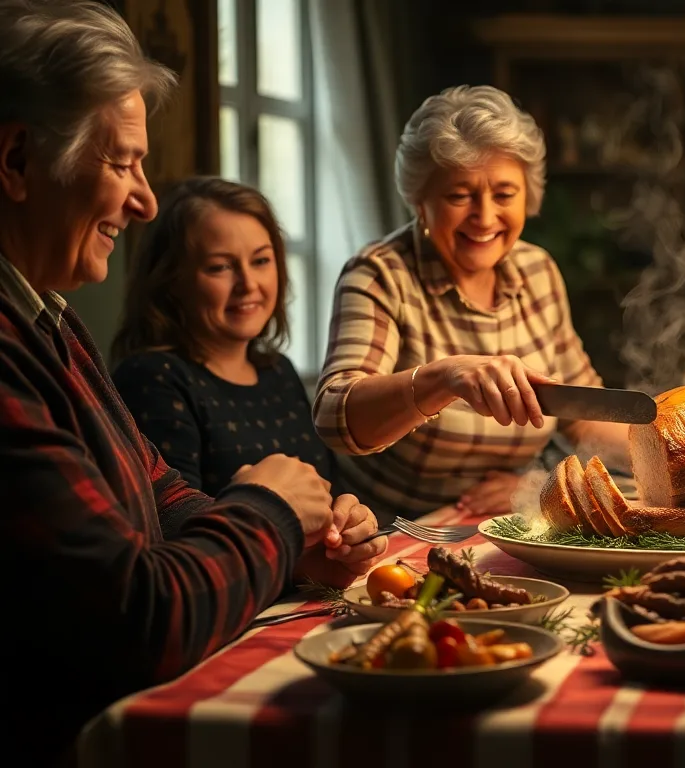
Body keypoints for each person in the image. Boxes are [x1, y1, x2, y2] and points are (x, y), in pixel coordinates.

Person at [0, 2, 384, 760]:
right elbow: (143, 617)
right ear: (15, 161)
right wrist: (270, 514)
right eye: (123, 163)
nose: (142, 199)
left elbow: (159, 491)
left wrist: (294, 542)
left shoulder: (50, 323)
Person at [315, 85, 629, 519]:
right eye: (459, 196)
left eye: (504, 194)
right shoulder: (380, 274)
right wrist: (446, 377)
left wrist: (667, 436)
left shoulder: (537, 271)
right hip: (392, 531)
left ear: (527, 196)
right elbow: (335, 416)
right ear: (420, 202)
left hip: (505, 522)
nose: (484, 217)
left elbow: (581, 416)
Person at [110, 177, 340, 505]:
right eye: (220, 267)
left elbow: (330, 490)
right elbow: (176, 526)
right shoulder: (151, 378)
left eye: (261, 261)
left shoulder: (279, 371)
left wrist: (349, 518)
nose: (248, 284)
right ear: (171, 281)